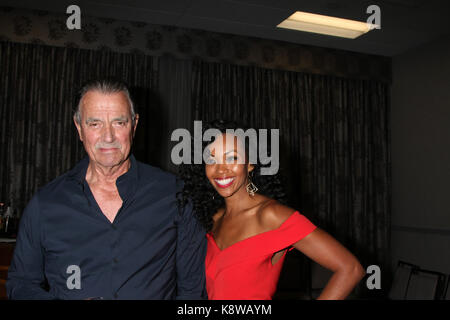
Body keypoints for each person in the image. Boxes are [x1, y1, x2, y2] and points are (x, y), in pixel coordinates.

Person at [6, 79, 206, 300]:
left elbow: (193, 293)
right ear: (79, 128)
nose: (108, 136)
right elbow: (21, 284)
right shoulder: (45, 204)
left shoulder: (176, 195)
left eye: (119, 122)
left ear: (134, 124)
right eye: (95, 124)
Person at [178, 120, 365, 300]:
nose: (220, 169)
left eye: (232, 157)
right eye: (211, 159)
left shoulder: (271, 216)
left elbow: (350, 269)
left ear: (250, 163)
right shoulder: (214, 219)